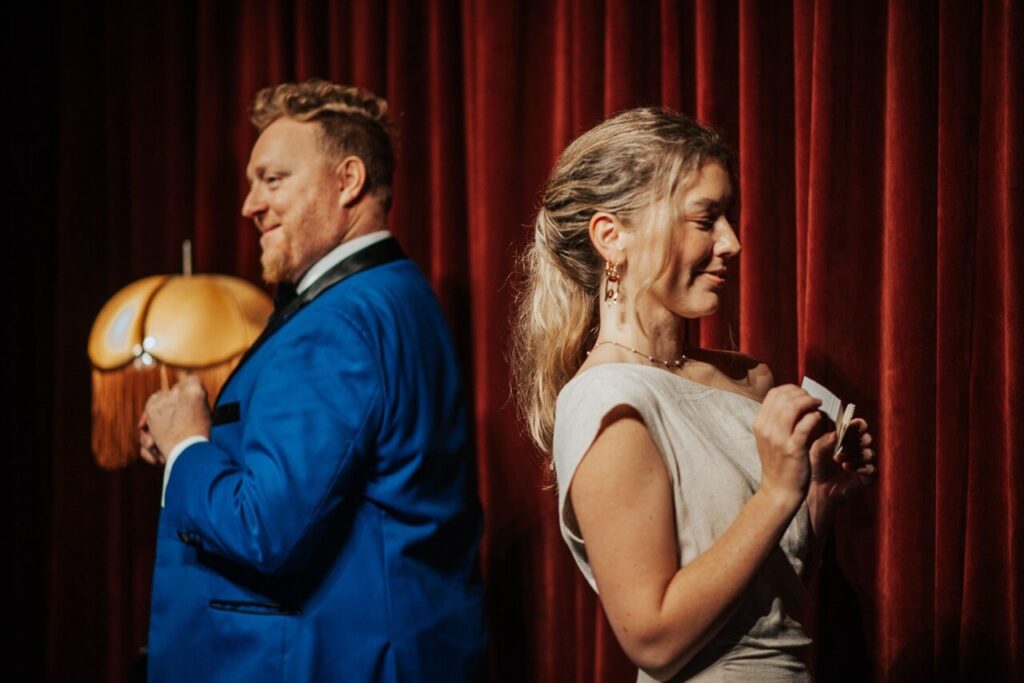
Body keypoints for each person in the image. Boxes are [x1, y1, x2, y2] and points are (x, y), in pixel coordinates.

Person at [512, 108, 877, 681]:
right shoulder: (607, 401)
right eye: (705, 219)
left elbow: (768, 608)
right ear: (612, 237)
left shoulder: (749, 377)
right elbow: (653, 642)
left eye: (728, 216)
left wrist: (817, 499)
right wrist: (778, 492)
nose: (731, 242)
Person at [138, 79, 485, 682]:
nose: (249, 204)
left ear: (348, 181)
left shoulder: (337, 323)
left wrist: (186, 447)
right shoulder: (399, 293)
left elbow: (264, 528)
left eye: (272, 180)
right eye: (252, 184)